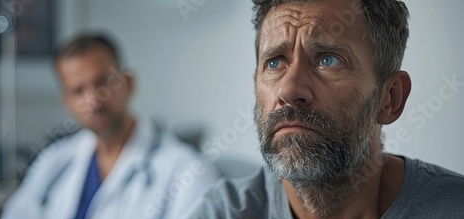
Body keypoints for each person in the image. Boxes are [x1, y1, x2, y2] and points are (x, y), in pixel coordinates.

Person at [188, 0, 464, 218]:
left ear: (390, 98)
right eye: (274, 63)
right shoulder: (222, 211)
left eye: (328, 60)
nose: (289, 90)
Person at [1, 34, 220, 219]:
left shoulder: (188, 173)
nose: (93, 100)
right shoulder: (53, 160)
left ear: (129, 83)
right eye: (78, 91)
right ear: (67, 101)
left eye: (102, 82)